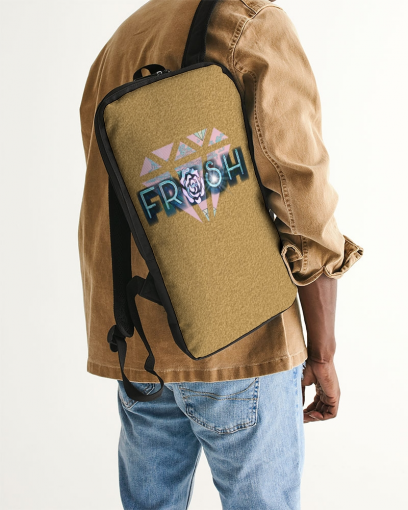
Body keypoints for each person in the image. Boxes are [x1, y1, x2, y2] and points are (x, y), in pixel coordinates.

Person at [78, 0, 363, 508]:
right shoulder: (249, 21)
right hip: (241, 342)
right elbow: (302, 194)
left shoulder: (123, 39)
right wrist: (322, 352)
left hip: (140, 349)